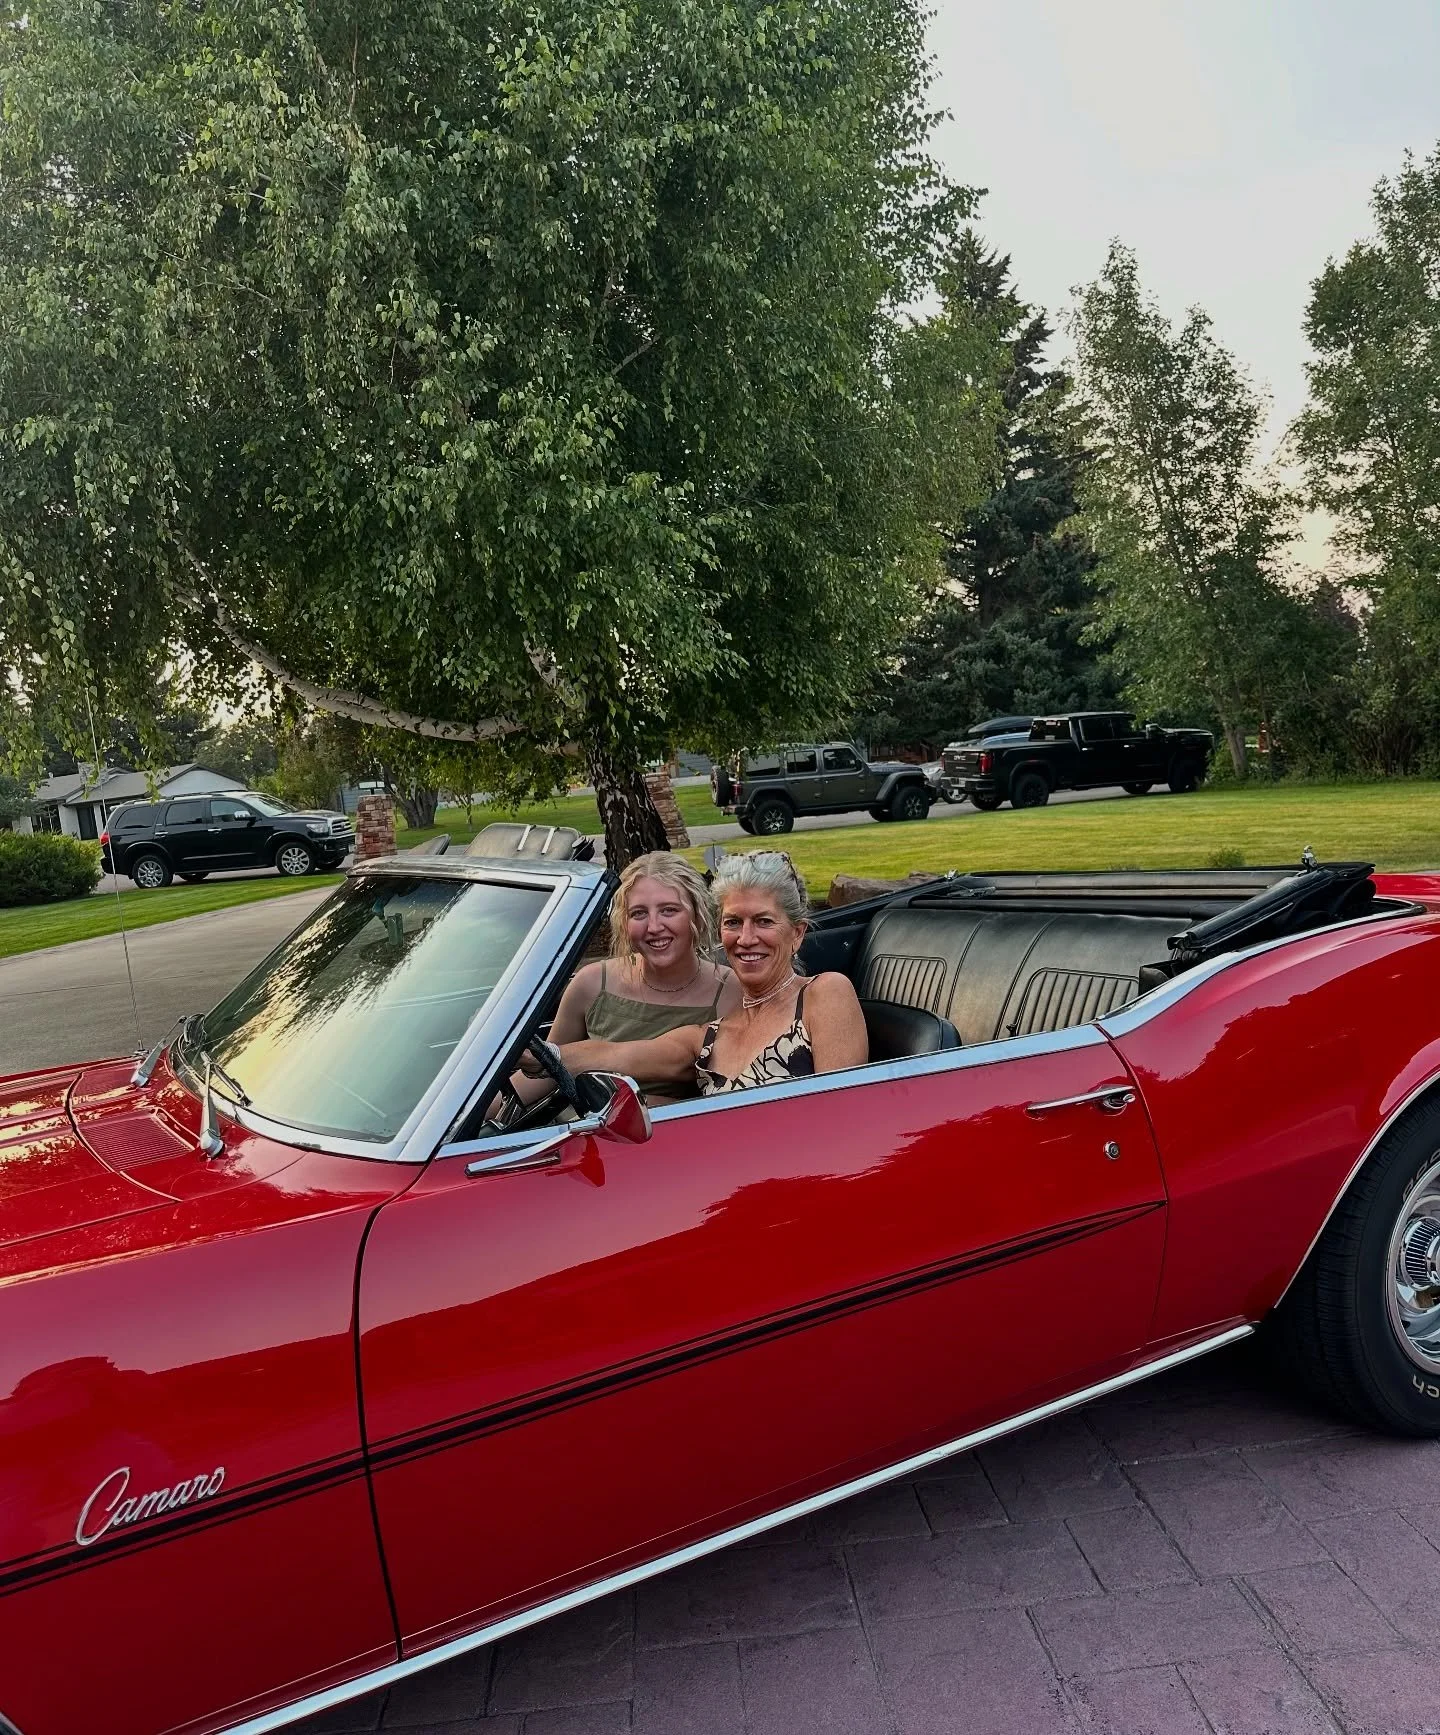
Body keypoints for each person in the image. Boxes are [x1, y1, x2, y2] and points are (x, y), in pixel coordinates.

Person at [549, 850, 868, 1096]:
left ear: (797, 934)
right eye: (732, 922)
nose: (745, 938)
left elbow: (841, 1115)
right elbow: (616, 1056)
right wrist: (536, 1056)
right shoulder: (707, 1034)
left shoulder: (824, 994)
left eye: (763, 921)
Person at [511, 851, 738, 1109]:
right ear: (623, 922)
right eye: (639, 913)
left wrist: (634, 1106)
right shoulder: (592, 984)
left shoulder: (732, 993)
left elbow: (726, 1097)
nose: (654, 927)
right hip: (584, 1134)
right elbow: (545, 1074)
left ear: (697, 915)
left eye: (669, 910)